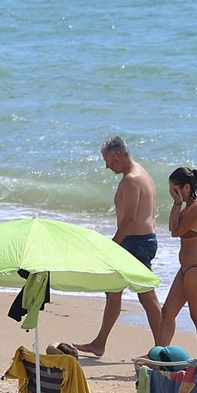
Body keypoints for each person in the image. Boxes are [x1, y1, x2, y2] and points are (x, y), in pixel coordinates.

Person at [71, 136, 164, 358]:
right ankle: (99, 343)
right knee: (113, 292)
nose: (106, 166)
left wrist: (113, 246)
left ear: (118, 156)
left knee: (147, 297)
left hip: (135, 243)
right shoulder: (142, 173)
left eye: (108, 161)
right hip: (141, 240)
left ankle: (163, 352)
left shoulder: (131, 180)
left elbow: (129, 220)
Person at [161, 167, 197, 374]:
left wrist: (177, 203)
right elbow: (172, 227)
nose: (173, 194)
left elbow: (175, 231)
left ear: (187, 187)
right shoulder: (188, 204)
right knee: (167, 312)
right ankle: (159, 358)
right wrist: (178, 203)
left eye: (175, 190)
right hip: (187, 268)